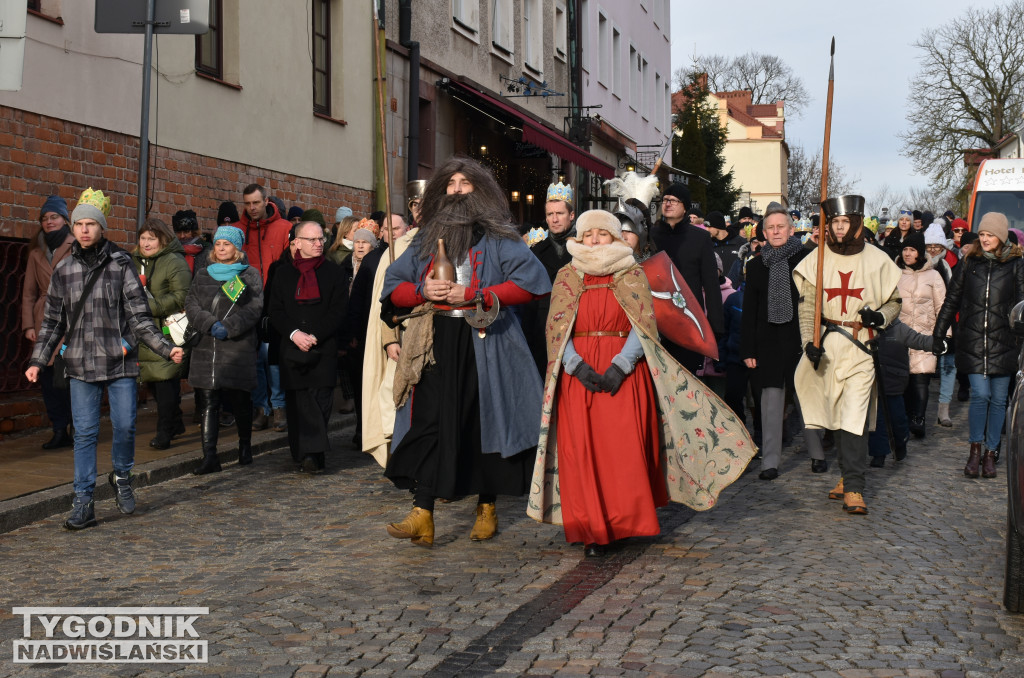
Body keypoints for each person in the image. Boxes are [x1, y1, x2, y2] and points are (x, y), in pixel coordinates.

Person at [529, 210, 756, 556]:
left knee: (620, 450)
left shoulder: (631, 273)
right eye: (587, 234)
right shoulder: (567, 275)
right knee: (583, 451)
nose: (593, 240)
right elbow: (557, 326)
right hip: (580, 376)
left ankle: (620, 522)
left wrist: (621, 365)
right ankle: (590, 526)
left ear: (615, 238)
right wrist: (575, 365)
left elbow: (643, 325)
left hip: (623, 373)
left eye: (601, 234)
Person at [381, 155, 550, 547]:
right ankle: (422, 511)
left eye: (465, 183)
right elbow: (394, 286)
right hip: (436, 340)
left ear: (480, 189)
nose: (457, 190)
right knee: (428, 420)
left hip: (487, 340)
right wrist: (423, 290)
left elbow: (530, 283)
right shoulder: (425, 239)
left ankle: (487, 504)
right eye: (451, 184)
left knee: (482, 420)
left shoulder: (500, 237)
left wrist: (475, 293)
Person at [24, 188, 184, 530]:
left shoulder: (121, 265)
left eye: (90, 224)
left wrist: (164, 347)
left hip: (120, 362)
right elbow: (53, 322)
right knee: (84, 434)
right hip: (81, 365)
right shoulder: (64, 270)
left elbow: (140, 317)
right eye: (78, 223)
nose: (83, 229)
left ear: (101, 228)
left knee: (125, 425)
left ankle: (122, 476)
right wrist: (38, 361)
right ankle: (83, 501)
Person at [793, 194, 902, 515]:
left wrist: (878, 317)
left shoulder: (878, 259)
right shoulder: (818, 259)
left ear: (855, 223)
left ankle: (854, 486)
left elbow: (894, 302)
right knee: (835, 414)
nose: (839, 229)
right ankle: (845, 473)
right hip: (827, 346)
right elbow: (808, 307)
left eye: (845, 222)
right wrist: (807, 343)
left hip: (861, 346)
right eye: (835, 223)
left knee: (854, 413)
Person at [933, 212, 1024, 479]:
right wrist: (939, 333)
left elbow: (1021, 304)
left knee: (998, 400)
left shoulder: (1017, 264)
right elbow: (952, 300)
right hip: (973, 339)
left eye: (990, 234)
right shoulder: (969, 263)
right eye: (982, 234)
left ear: (1002, 236)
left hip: (1004, 342)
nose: (984, 239)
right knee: (980, 394)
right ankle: (974, 449)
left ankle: (990, 454)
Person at [741, 203, 824, 479]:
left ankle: (817, 454)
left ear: (791, 230)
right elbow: (749, 311)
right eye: (770, 228)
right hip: (767, 342)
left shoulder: (808, 260)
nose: (776, 231)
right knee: (771, 402)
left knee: (806, 399)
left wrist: (817, 339)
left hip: (799, 339)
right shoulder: (754, 267)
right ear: (763, 232)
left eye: (781, 227)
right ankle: (771, 463)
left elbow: (817, 305)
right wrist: (748, 348)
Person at [269, 220, 348, 473]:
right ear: (297, 243)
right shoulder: (282, 273)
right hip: (292, 346)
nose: (318, 244)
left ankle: (313, 453)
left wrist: (314, 335)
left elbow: (338, 311)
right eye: (312, 240)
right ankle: (304, 452)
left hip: (322, 345)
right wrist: (294, 334)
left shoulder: (334, 272)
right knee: (298, 401)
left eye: (321, 240)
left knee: (321, 400)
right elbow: (275, 310)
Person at [185, 225, 264, 474]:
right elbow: (191, 303)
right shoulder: (203, 274)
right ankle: (210, 456)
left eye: (226, 244)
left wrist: (228, 327)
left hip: (236, 347)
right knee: (208, 402)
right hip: (207, 347)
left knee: (240, 399)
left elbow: (253, 308)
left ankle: (244, 447)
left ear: (237, 249)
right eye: (218, 244)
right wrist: (210, 324)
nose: (221, 248)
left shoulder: (249, 275)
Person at [650, 183, 724, 373]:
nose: (668, 204)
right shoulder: (652, 235)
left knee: (687, 378)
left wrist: (715, 327)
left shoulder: (700, 238)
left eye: (674, 200)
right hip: (656, 318)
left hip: (689, 317)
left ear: (685, 207)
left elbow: (711, 283)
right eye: (665, 200)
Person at [132, 217, 192, 450]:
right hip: (142, 331)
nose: (146, 243)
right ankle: (175, 422)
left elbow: (182, 296)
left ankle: (164, 431)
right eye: (143, 238)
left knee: (166, 381)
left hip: (167, 330)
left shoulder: (174, 262)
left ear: (162, 239)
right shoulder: (134, 260)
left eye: (152, 238)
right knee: (153, 382)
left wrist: (148, 307)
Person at [235, 183, 290, 433]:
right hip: (247, 302)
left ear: (266, 201)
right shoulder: (238, 231)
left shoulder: (284, 229)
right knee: (255, 357)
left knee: (272, 356)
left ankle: (279, 405)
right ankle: (261, 407)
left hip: (275, 301)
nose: (252, 208)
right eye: (247, 203)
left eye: (256, 202)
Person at [22, 195, 75, 450]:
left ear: (65, 219)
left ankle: (78, 427)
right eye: (45, 218)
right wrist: (29, 325)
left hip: (72, 316)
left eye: (54, 217)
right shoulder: (35, 252)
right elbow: (28, 292)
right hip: (45, 318)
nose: (49, 222)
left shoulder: (76, 245)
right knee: (49, 378)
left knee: (71, 375)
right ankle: (59, 429)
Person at [521, 181, 577, 372]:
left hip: (575, 327)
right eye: (550, 214)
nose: (554, 219)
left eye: (559, 214)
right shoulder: (535, 249)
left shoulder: (584, 247)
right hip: (541, 328)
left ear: (571, 215)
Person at [896, 231, 945, 439]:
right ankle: (906, 418)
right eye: (905, 249)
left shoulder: (933, 275)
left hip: (926, 333)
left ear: (920, 252)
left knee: (921, 379)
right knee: (904, 380)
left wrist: (944, 335)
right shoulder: (895, 273)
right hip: (901, 333)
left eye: (912, 249)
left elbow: (942, 305)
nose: (907, 253)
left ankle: (919, 418)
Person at [867, 318, 935, 467]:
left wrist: (937, 343)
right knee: (877, 421)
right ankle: (879, 454)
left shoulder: (899, 328)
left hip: (894, 381)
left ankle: (900, 443)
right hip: (872, 381)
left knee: (897, 419)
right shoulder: (866, 328)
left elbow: (919, 340)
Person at [172, 209, 211, 276]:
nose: (182, 236)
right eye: (178, 232)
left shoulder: (208, 250)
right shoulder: (173, 251)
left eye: (186, 232)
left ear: (194, 231)